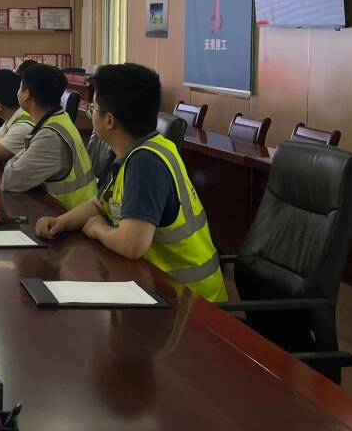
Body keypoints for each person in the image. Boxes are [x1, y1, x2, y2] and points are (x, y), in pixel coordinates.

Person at [34, 63, 227, 302]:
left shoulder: (145, 163)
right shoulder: (136, 152)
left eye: (94, 108)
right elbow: (99, 205)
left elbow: (131, 245)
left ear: (109, 120)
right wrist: (61, 222)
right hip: (158, 287)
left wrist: (96, 229)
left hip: (192, 303)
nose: (91, 114)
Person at [0, 64, 96, 210]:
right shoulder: (60, 119)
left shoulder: (50, 136)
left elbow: (10, 181)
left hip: (68, 213)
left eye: (20, 87)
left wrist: (14, 159)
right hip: (66, 211)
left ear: (26, 94)